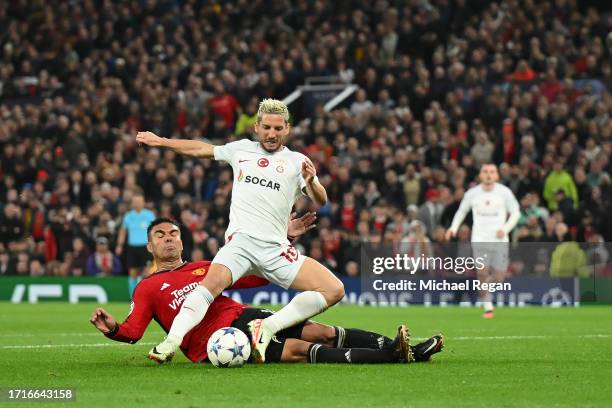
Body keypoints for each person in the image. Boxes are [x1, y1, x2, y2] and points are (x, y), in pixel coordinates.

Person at [136, 99, 345, 363]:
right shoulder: (241, 150)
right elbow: (201, 148)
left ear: (287, 130)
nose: (271, 133)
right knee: (207, 288)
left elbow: (321, 199)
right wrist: (162, 141)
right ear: (257, 127)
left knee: (334, 289)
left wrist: (312, 180)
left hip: (276, 249)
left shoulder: (297, 161)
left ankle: (267, 327)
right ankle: (169, 343)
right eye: (266, 127)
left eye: (278, 128)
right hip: (240, 245)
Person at [90, 218, 444, 364]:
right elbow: (134, 331)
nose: (168, 240)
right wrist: (114, 331)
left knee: (320, 330)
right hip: (215, 341)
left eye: (173, 234)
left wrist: (283, 243)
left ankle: (406, 348)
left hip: (244, 317)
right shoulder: (149, 286)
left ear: (182, 240)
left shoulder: (207, 268)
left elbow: (256, 275)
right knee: (299, 350)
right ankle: (396, 356)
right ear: (150, 248)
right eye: (160, 236)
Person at [445, 164, 520, 318]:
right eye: (485, 171)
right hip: (479, 238)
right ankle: (488, 307)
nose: (488, 174)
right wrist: (453, 228)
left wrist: (505, 229)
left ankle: (486, 294)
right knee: (482, 274)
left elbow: (516, 213)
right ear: (480, 175)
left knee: (499, 278)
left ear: (497, 175)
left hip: (499, 239)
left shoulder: (504, 192)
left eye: (492, 172)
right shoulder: (472, 193)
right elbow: (462, 211)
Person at [115, 193, 156, 296]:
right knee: (133, 272)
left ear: (143, 203)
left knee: (148, 272)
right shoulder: (128, 216)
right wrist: (119, 245)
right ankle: (133, 296)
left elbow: (155, 230)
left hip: (146, 247)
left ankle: (149, 296)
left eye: (139, 201)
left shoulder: (149, 215)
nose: (137, 203)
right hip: (132, 248)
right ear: (132, 203)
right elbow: (123, 231)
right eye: (135, 202)